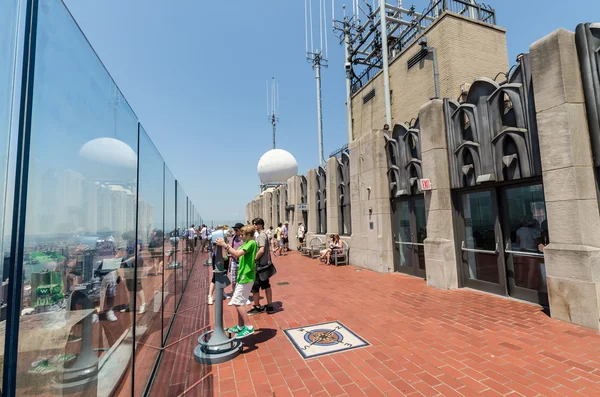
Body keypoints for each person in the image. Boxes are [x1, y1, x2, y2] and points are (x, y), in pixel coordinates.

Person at [215, 225, 257, 338]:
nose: (241, 236)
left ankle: (248, 327)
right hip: (242, 275)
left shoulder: (251, 243)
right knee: (240, 301)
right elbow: (235, 252)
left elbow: (237, 254)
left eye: (243, 235)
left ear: (249, 235)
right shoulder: (246, 243)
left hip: (246, 276)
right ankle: (240, 326)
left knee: (237, 302)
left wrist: (224, 244)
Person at [248, 218, 275, 315]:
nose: (254, 225)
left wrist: (254, 259)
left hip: (260, 265)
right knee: (266, 285)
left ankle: (257, 306)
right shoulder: (262, 235)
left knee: (255, 287)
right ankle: (269, 305)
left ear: (260, 225)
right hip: (264, 264)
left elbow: (261, 250)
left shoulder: (261, 236)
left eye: (255, 224)